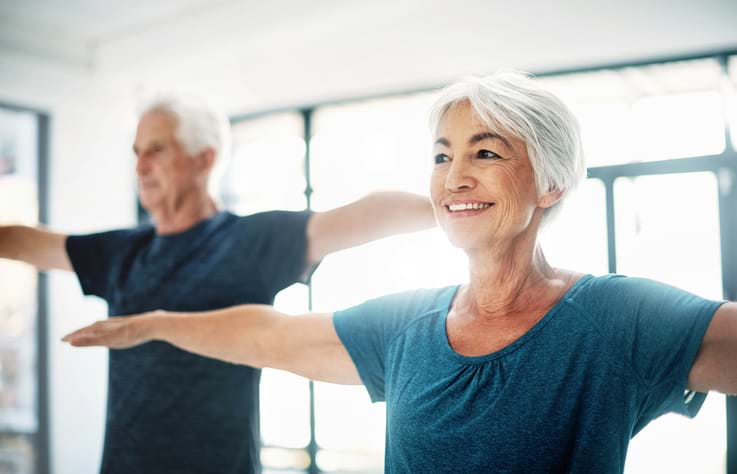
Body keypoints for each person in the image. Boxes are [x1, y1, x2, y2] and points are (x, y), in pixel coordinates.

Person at [62, 73, 737, 473]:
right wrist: (152, 323)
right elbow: (271, 335)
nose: (455, 175)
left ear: (551, 183)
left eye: (486, 152)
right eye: (442, 156)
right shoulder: (410, 324)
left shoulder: (618, 319)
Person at [0, 95, 436, 474]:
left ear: (204, 159)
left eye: (156, 149)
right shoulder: (122, 252)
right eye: (136, 152)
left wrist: (467, 208)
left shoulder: (250, 242)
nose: (140, 166)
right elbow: (23, 241)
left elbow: (368, 213)